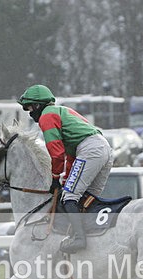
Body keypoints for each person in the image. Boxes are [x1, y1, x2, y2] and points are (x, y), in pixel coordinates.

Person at [17, 84, 114, 253]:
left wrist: (55, 178)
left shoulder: (47, 116)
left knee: (70, 196)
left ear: (39, 105)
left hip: (90, 150)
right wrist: (66, 178)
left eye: (30, 108)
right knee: (87, 198)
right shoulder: (61, 111)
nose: (30, 113)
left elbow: (56, 152)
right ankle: (94, 239)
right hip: (103, 148)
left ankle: (79, 239)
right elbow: (70, 155)